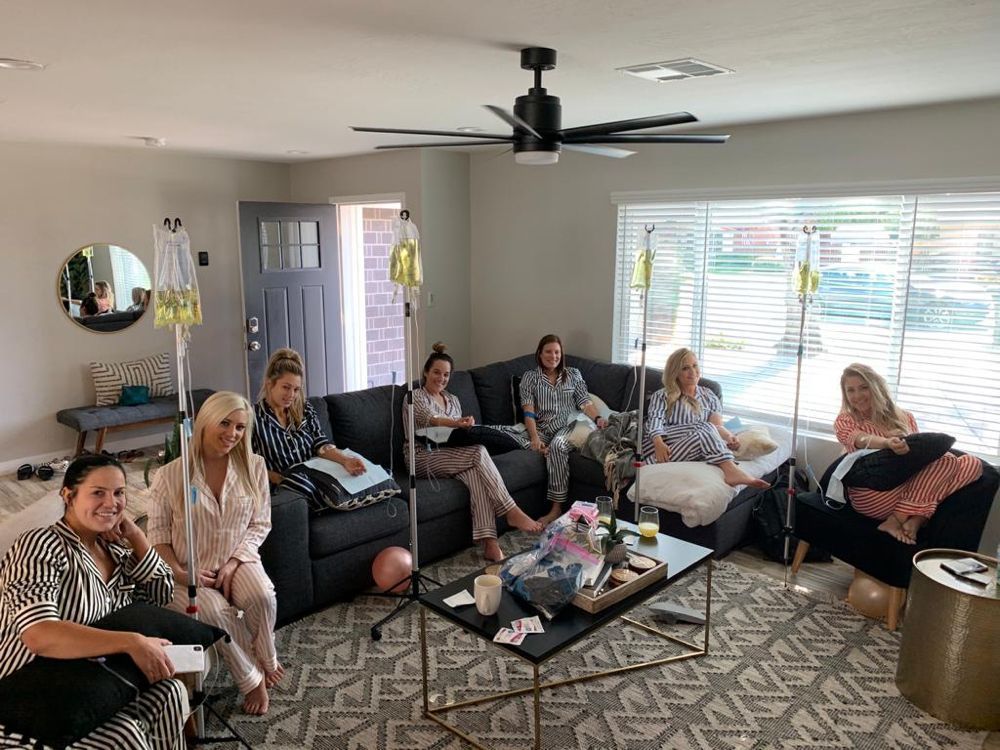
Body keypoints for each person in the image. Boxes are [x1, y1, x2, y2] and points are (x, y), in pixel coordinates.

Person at [0, 455, 187, 749]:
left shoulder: (116, 551)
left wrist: (136, 535)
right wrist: (132, 642)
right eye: (98, 492)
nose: (111, 502)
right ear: (68, 495)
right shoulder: (41, 545)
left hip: (89, 679)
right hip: (27, 689)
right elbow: (39, 633)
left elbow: (162, 591)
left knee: (170, 692)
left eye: (119, 492)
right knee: (123, 735)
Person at [148, 391, 283, 715]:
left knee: (263, 596)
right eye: (225, 423)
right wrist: (182, 573)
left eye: (240, 427)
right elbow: (157, 538)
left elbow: (260, 524)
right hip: (183, 574)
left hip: (238, 558)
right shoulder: (169, 476)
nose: (232, 434)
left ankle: (267, 656)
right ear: (204, 422)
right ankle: (252, 678)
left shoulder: (254, 467)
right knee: (213, 612)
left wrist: (236, 562)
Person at [405, 343, 542, 562]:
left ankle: (490, 543)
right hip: (423, 457)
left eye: (446, 374)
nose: (441, 378)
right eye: (436, 373)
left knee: (475, 475)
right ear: (425, 372)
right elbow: (431, 420)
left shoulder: (454, 400)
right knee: (478, 453)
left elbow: (454, 438)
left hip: (450, 455)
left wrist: (466, 428)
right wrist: (456, 423)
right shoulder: (415, 397)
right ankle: (510, 509)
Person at [834, 363, 982, 544]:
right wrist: (887, 443)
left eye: (863, 387)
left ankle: (914, 519)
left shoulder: (905, 417)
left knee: (972, 464)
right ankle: (902, 519)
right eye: (850, 391)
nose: (857, 396)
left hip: (905, 489)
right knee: (948, 460)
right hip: (871, 494)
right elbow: (860, 439)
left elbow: (920, 462)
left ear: (876, 387)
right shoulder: (846, 419)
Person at [251, 347, 366, 512]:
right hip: (282, 484)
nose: (292, 394)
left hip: (315, 474)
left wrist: (345, 460)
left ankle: (345, 497)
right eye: (286, 387)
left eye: (296, 389)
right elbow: (247, 462)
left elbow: (321, 445)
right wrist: (279, 479)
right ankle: (337, 501)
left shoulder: (305, 409)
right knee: (303, 484)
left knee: (356, 471)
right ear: (270, 384)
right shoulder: (253, 417)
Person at [642, 348, 770, 489]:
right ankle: (732, 470)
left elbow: (716, 427)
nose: (693, 372)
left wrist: (728, 436)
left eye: (695, 365)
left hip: (690, 444)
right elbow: (655, 420)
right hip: (659, 445)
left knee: (706, 430)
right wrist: (658, 443)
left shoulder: (710, 396)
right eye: (685, 368)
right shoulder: (662, 395)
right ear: (676, 373)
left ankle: (647, 464)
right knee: (704, 427)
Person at [515, 334, 607, 526]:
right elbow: (528, 411)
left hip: (567, 426)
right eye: (548, 351)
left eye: (557, 352)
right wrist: (534, 438)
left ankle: (555, 509)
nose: (553, 356)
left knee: (557, 447)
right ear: (540, 354)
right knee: (510, 434)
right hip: (541, 428)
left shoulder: (573, 374)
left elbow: (585, 403)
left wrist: (598, 419)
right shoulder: (530, 378)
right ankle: (539, 447)